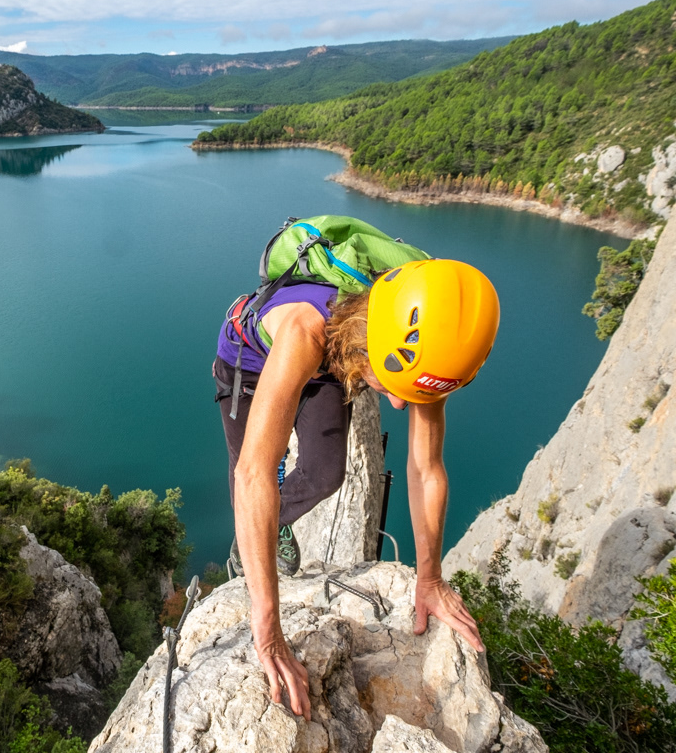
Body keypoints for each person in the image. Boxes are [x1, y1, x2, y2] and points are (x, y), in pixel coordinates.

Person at [213, 258, 500, 721]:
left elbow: (426, 469)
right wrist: (268, 629)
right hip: (249, 361)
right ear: (370, 345)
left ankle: (272, 523)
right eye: (388, 386)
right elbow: (254, 473)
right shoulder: (307, 329)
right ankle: (248, 544)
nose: (400, 402)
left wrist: (430, 581)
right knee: (250, 474)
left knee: (326, 474)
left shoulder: (428, 337)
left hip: (333, 361)